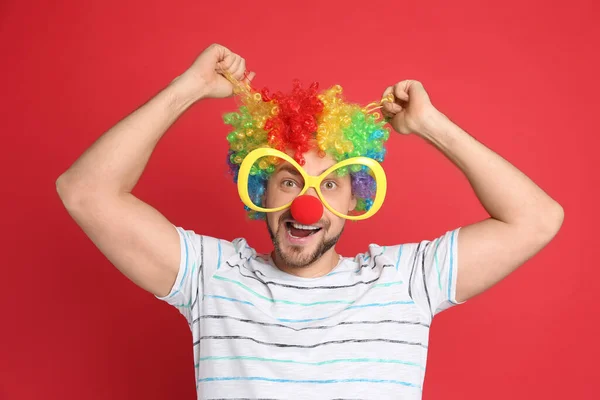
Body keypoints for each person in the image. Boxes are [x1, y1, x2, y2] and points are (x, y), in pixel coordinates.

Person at [56, 43, 564, 399]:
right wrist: (186, 88)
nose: (307, 204)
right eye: (289, 180)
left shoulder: (407, 282)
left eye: (330, 184)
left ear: (357, 196)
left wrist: (431, 126)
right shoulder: (212, 277)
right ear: (261, 190)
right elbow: (84, 191)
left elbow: (537, 219)